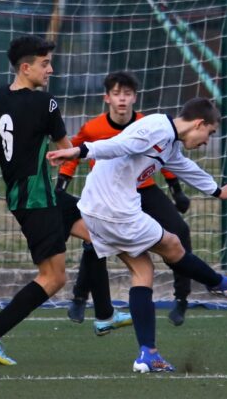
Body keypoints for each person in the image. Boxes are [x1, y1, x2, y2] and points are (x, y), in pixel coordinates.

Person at [46, 97, 227, 373]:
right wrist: (79, 151)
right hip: (113, 207)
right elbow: (119, 145)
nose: (207, 141)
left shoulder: (170, 142)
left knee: (143, 271)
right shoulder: (156, 128)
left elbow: (184, 167)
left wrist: (218, 190)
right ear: (199, 123)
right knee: (172, 244)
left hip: (99, 207)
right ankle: (218, 283)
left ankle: (148, 354)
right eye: (209, 133)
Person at [0, 35, 131, 366]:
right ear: (26, 67)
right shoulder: (45, 103)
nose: (51, 69)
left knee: (98, 233)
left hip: (34, 194)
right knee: (53, 277)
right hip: (36, 197)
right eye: (45, 64)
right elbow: (67, 149)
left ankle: (104, 314)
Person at [56, 71, 193, 327]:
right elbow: (73, 153)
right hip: (109, 193)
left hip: (144, 189)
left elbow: (162, 156)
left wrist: (176, 189)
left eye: (127, 94)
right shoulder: (93, 128)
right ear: (107, 98)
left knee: (179, 230)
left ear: (134, 98)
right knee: (94, 241)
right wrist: (62, 185)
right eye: (117, 94)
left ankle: (181, 299)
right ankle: (79, 298)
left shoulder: (146, 123)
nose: (122, 99)